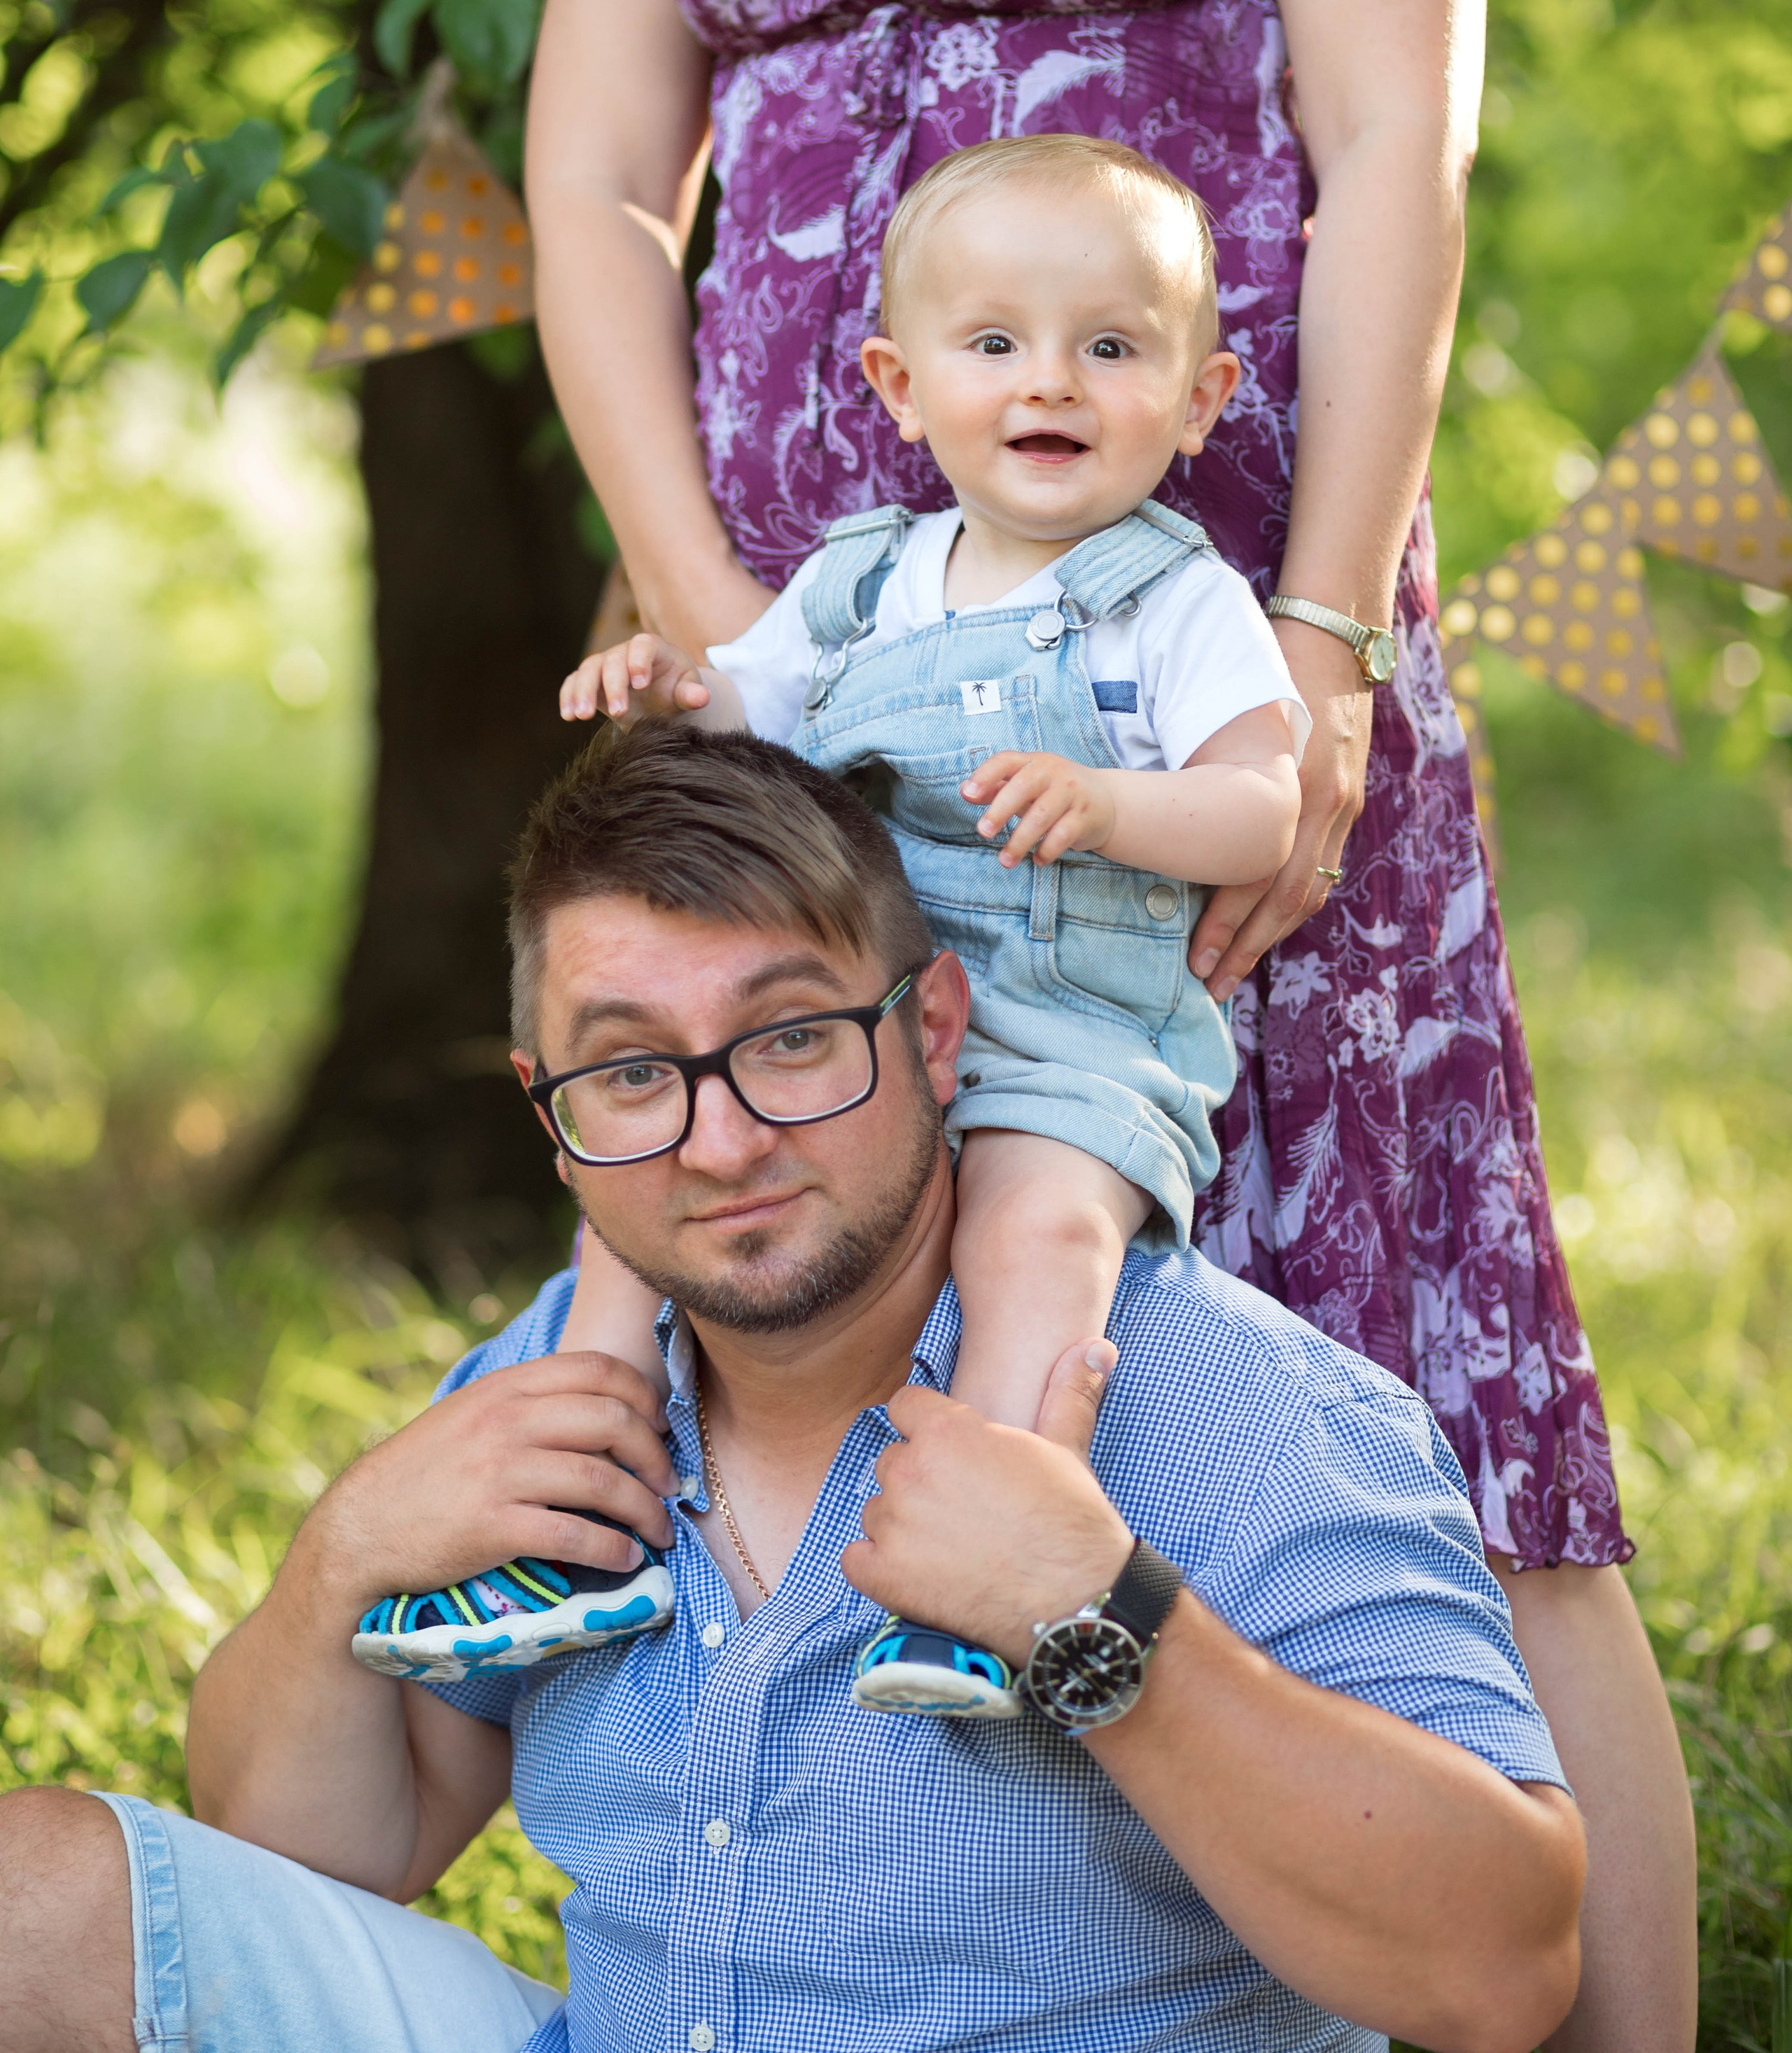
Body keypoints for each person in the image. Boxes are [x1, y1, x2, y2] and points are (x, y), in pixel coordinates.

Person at [523, 0, 1694, 2034]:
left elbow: (1397, 128)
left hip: (1197, 644)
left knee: (1410, 1342)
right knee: (867, 1301)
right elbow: (598, 175)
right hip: (830, 668)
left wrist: (1322, 636)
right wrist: (726, 645)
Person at [0, 719, 1586, 2053]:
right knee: (31, 1899)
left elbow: (1501, 1966)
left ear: (935, 1030)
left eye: (791, 1040)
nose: (721, 1141)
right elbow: (320, 1854)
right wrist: (340, 1559)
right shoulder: (555, 1389)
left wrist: (1099, 1624)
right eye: (631, 1073)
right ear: (548, 1119)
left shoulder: (1228, 1406)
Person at [360, 134, 1305, 1706]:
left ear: (1199, 399)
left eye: (1112, 349)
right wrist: (675, 687)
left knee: (1037, 1245)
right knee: (635, 1229)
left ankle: (980, 1574)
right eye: (993, 344)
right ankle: (565, 1524)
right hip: (840, 1025)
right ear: (897, 382)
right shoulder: (865, 584)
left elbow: (1262, 807)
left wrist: (1115, 805)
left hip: (1071, 1036)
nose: (1048, 384)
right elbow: (751, 713)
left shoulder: (1172, 599)